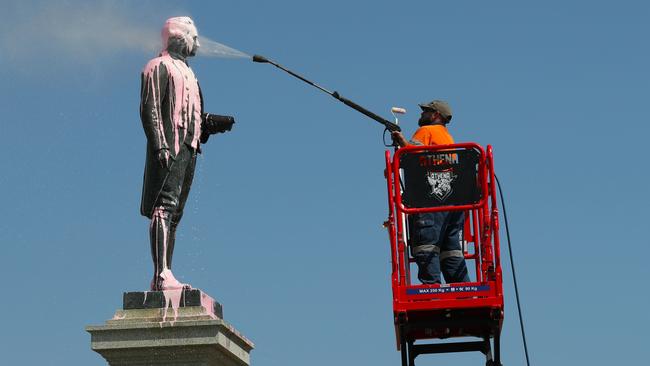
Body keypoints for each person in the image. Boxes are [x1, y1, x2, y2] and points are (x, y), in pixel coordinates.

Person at [140, 17, 234, 291]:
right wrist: (160, 144)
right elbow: (150, 109)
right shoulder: (157, 67)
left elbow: (189, 113)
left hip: (190, 147)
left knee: (176, 212)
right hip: (170, 146)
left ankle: (167, 271)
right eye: (195, 37)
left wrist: (209, 124)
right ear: (180, 37)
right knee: (164, 206)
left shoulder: (190, 74)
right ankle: (160, 274)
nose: (199, 43)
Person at [391, 100, 470, 284]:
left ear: (435, 115)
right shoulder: (447, 137)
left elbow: (411, 155)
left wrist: (402, 141)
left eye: (425, 111)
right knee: (450, 249)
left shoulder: (426, 131)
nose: (421, 115)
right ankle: (463, 290)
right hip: (454, 200)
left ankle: (431, 290)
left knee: (426, 244)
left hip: (432, 199)